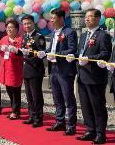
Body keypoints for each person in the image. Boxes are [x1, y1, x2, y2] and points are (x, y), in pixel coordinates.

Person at [37, 8, 78, 136]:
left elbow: (72, 49)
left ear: (61, 18)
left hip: (65, 70)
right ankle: (60, 121)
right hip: (53, 69)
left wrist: (56, 54)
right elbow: (51, 48)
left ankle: (71, 125)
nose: (51, 20)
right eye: (51, 18)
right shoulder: (54, 33)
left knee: (68, 98)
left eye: (53, 18)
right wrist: (45, 52)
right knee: (57, 97)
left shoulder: (70, 32)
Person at [75, 9, 112, 144]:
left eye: (90, 17)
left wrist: (89, 58)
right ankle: (90, 130)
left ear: (98, 18)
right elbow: (80, 53)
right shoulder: (84, 35)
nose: (87, 19)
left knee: (98, 106)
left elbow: (105, 54)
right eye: (86, 17)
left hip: (95, 77)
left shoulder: (103, 35)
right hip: (82, 76)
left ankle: (101, 134)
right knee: (85, 106)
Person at [19, 15, 46, 128]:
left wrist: (27, 54)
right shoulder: (24, 36)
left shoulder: (39, 37)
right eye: (24, 24)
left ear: (33, 23)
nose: (27, 26)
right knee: (29, 95)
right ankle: (32, 115)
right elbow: (22, 53)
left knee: (36, 95)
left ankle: (38, 118)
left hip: (35, 70)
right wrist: (17, 51)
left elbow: (41, 55)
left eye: (28, 23)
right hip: (26, 70)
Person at [0, 19, 23, 120]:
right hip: (5, 68)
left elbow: (22, 55)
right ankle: (14, 109)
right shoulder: (4, 39)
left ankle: (16, 111)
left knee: (15, 91)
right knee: (8, 90)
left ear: (16, 29)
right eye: (7, 28)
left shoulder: (20, 39)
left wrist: (15, 50)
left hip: (15, 68)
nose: (9, 29)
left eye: (11, 27)